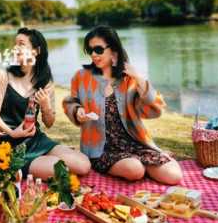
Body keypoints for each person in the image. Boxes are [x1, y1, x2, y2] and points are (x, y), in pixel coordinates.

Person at [63, 25, 182, 185]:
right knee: (135, 170)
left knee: (174, 176)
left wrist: (139, 79)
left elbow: (155, 111)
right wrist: (77, 111)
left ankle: (150, 160)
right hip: (101, 150)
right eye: (90, 50)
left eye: (98, 49)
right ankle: (143, 165)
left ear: (113, 50)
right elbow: (70, 102)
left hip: (135, 143)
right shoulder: (82, 77)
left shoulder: (129, 79)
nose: (93, 55)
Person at [0, 28, 90, 180]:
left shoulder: (45, 82)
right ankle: (22, 166)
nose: (15, 48)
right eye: (15, 44)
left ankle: (41, 162)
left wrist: (45, 105)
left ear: (36, 51)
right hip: (8, 144)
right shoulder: (3, 76)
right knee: (62, 170)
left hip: (35, 139)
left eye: (21, 44)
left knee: (83, 165)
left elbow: (49, 123)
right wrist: (13, 133)